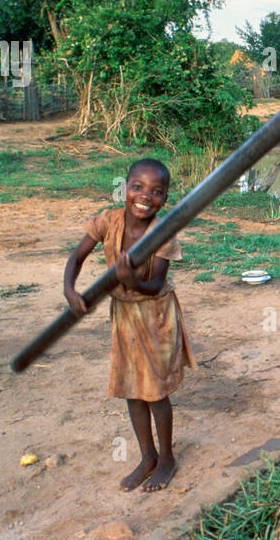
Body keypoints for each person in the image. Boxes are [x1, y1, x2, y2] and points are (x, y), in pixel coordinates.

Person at [63, 158, 196, 492]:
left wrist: (131, 279)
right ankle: (147, 456)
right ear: (125, 189)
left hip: (155, 316)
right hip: (123, 315)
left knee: (154, 391)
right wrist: (69, 290)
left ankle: (166, 458)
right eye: (137, 187)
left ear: (164, 199)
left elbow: (153, 286)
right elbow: (76, 256)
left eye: (156, 191)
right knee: (131, 389)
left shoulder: (163, 234)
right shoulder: (109, 220)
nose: (145, 196)